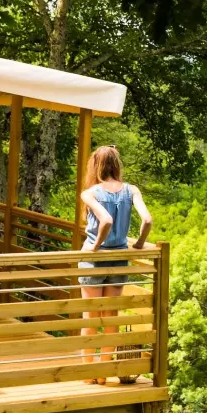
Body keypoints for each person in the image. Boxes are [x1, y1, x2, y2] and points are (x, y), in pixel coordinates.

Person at [78, 145, 153, 384]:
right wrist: (139, 243)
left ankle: (88, 374)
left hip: (94, 261)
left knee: (90, 318)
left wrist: (96, 246)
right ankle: (104, 372)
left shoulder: (90, 193)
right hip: (120, 260)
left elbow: (106, 220)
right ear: (116, 165)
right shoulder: (131, 190)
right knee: (111, 317)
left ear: (95, 166)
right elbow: (148, 219)